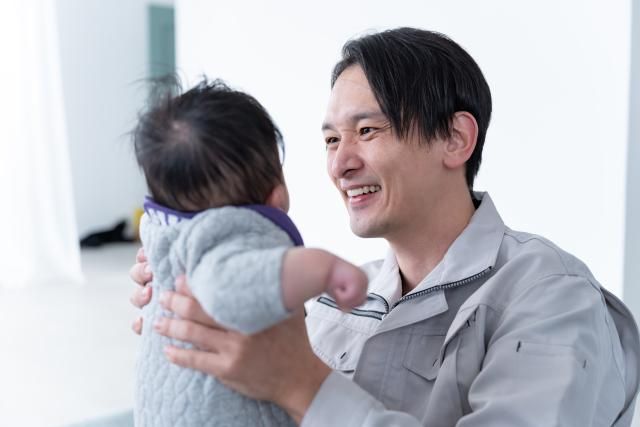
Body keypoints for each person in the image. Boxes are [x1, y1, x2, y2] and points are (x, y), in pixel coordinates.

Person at [129, 28, 640, 426]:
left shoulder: (551, 296)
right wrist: (197, 328)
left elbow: (296, 385)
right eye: (331, 140)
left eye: (367, 130)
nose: (340, 164)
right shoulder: (330, 303)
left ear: (456, 139)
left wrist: (302, 383)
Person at [131, 79, 367, 426]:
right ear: (276, 194)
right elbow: (232, 284)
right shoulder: (227, 237)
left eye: (367, 131)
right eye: (332, 139)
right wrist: (326, 269)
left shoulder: (165, 234)